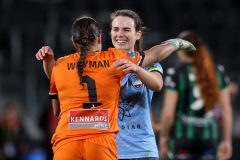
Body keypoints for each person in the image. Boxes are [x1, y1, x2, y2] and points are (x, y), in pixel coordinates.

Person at [36, 10, 196, 160]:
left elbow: (157, 84)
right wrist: (175, 44)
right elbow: (156, 54)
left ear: (138, 34)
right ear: (101, 37)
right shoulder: (110, 61)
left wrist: (136, 69)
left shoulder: (65, 64)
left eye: (126, 30)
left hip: (137, 148)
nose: (120, 34)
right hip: (106, 145)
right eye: (115, 29)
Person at [159, 30, 232, 160]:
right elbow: (226, 110)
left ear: (181, 50)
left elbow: (168, 113)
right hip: (209, 138)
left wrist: (164, 137)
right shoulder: (217, 71)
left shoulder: (175, 73)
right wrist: (227, 140)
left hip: (182, 138)